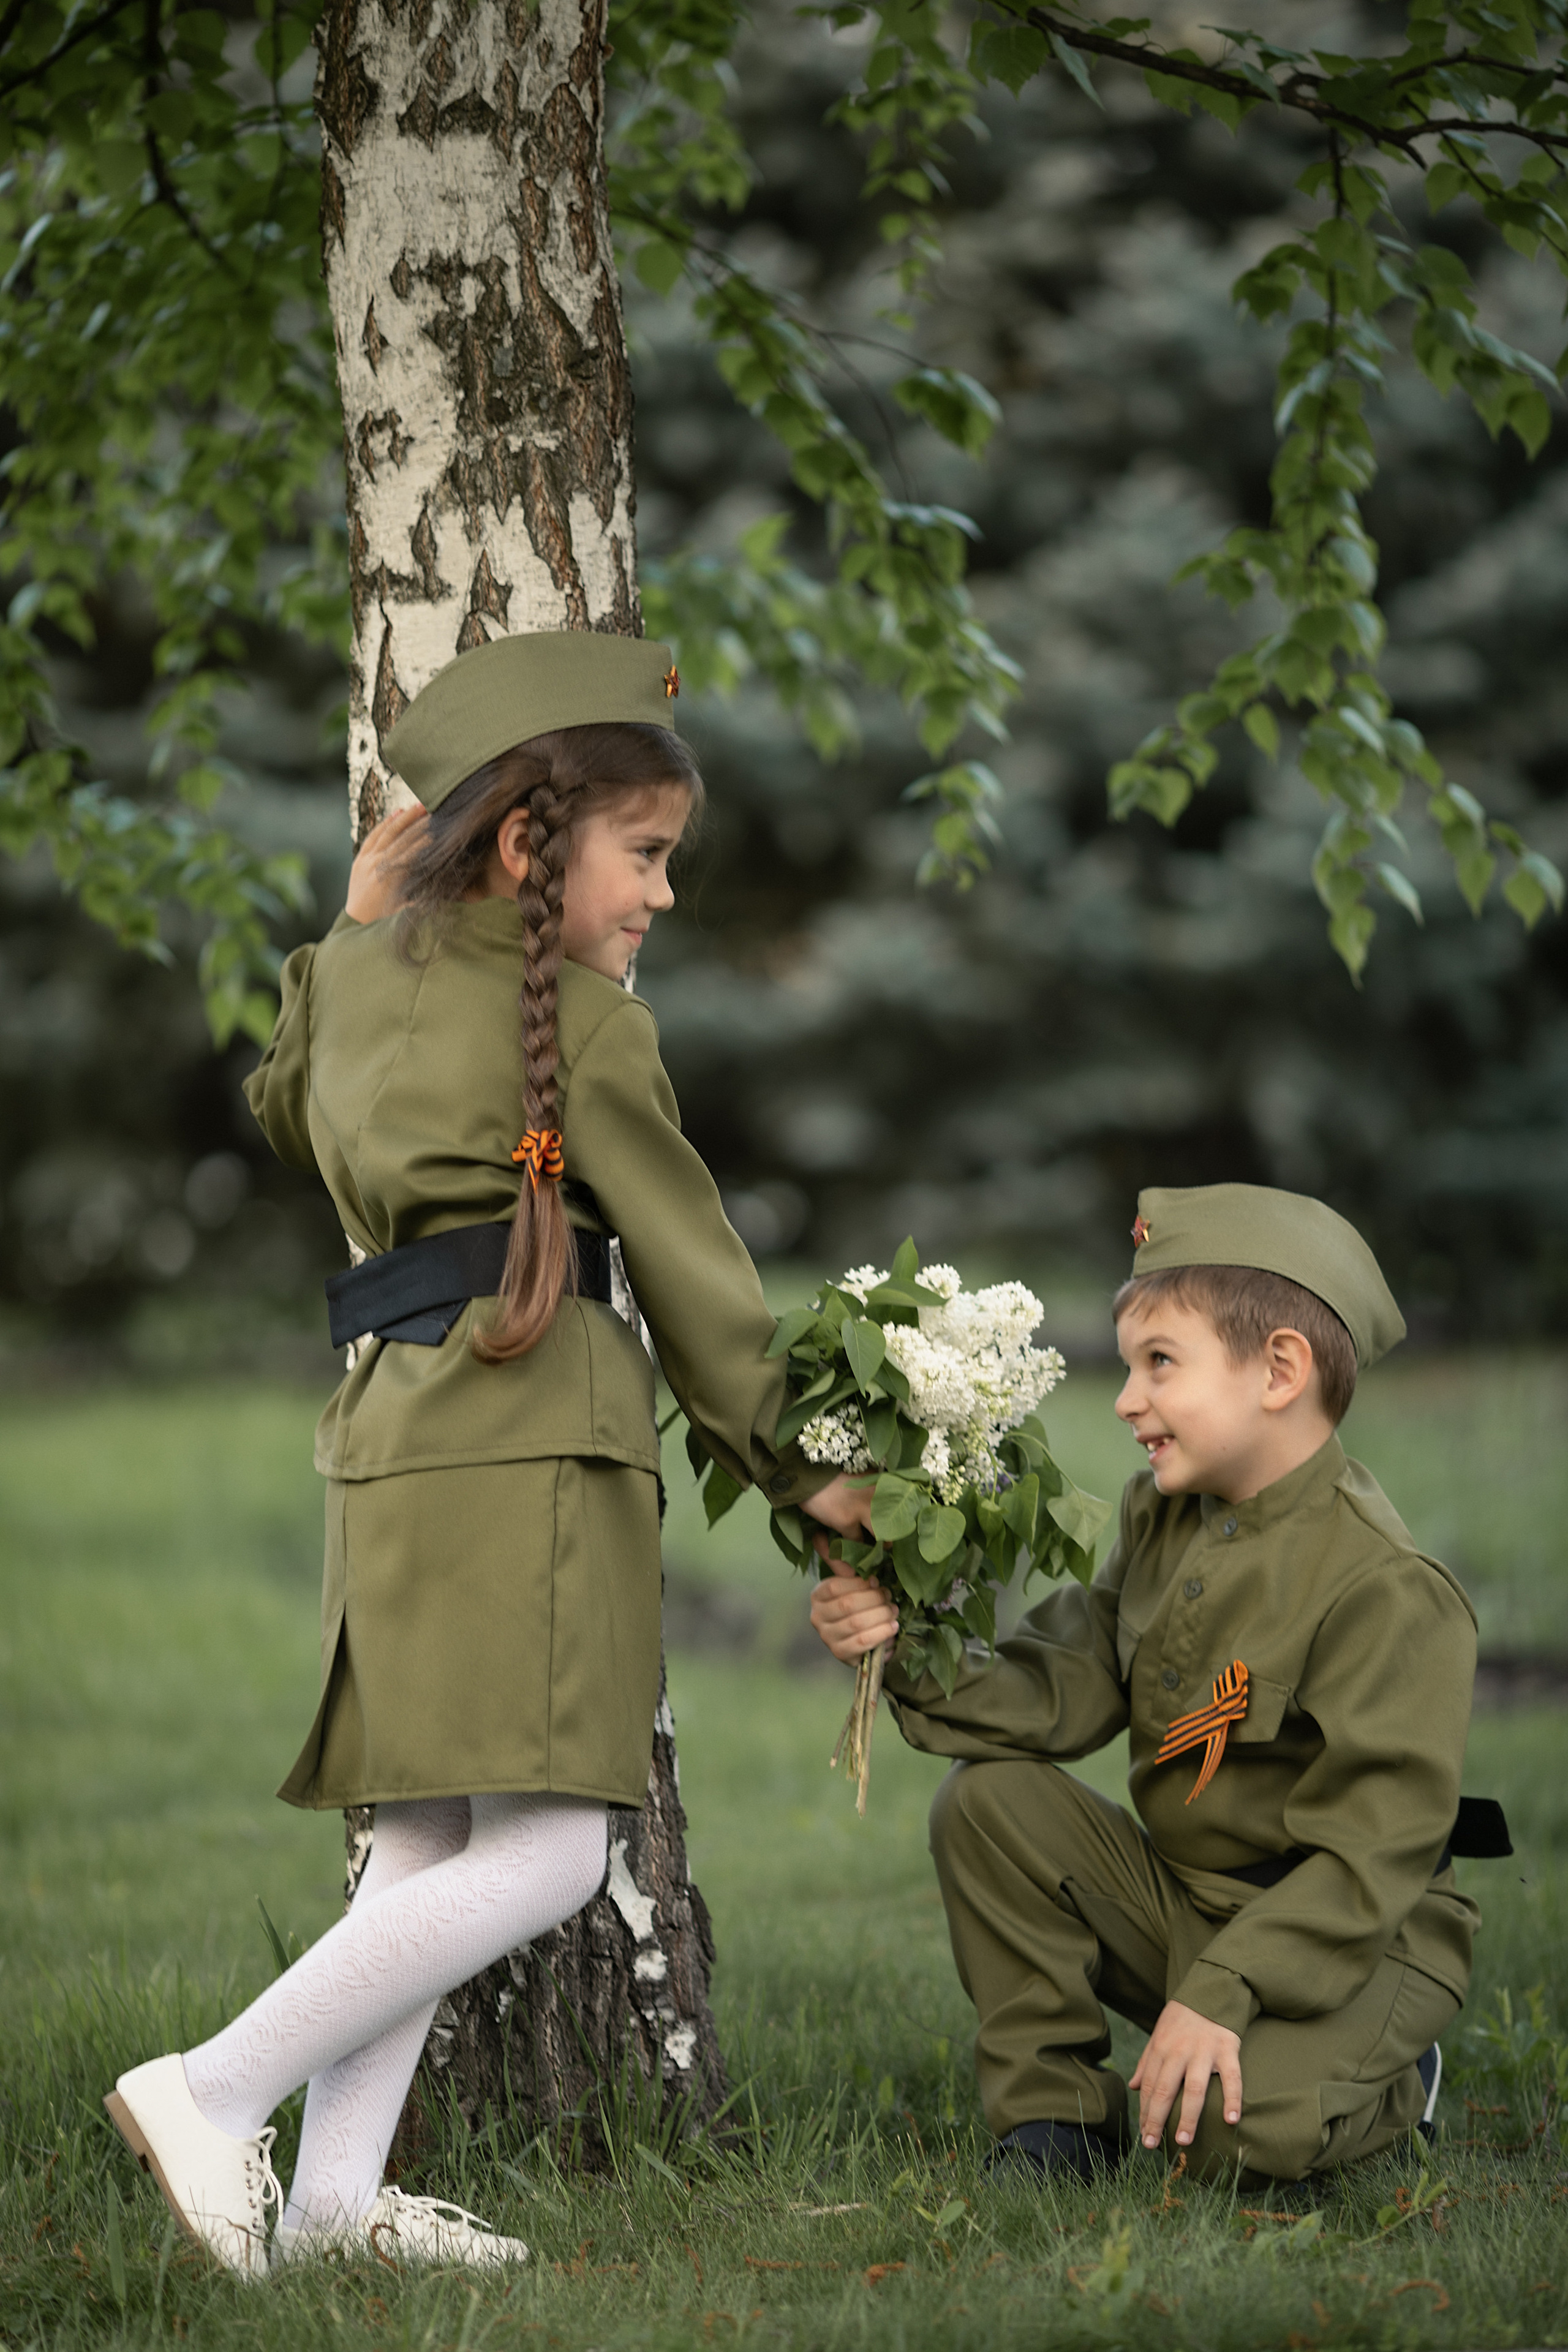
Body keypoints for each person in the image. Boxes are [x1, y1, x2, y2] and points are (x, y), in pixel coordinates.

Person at [105, 631, 873, 2275]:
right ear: (530, 845)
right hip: (529, 1448)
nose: (662, 892)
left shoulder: (354, 985)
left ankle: (330, 2208)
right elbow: (700, 1282)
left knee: (427, 1838)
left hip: (391, 1435)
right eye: (643, 853)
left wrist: (349, 925)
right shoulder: (591, 1029)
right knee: (547, 1849)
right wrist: (807, 1468)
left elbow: (290, 1111)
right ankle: (209, 2088)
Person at [811, 1183, 1485, 2190]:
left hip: (1353, 1936)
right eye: (1130, 1367)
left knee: (1226, 2139)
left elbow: (1367, 1861)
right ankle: (1055, 2122)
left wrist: (1224, 1987)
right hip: (1191, 1901)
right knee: (989, 1803)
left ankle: (1395, 2081)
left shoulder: (1387, 1589)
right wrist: (900, 1646)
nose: (1127, 1399)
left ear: (1281, 1371)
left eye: (1159, 1363)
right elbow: (1067, 1684)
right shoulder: (1164, 1516)